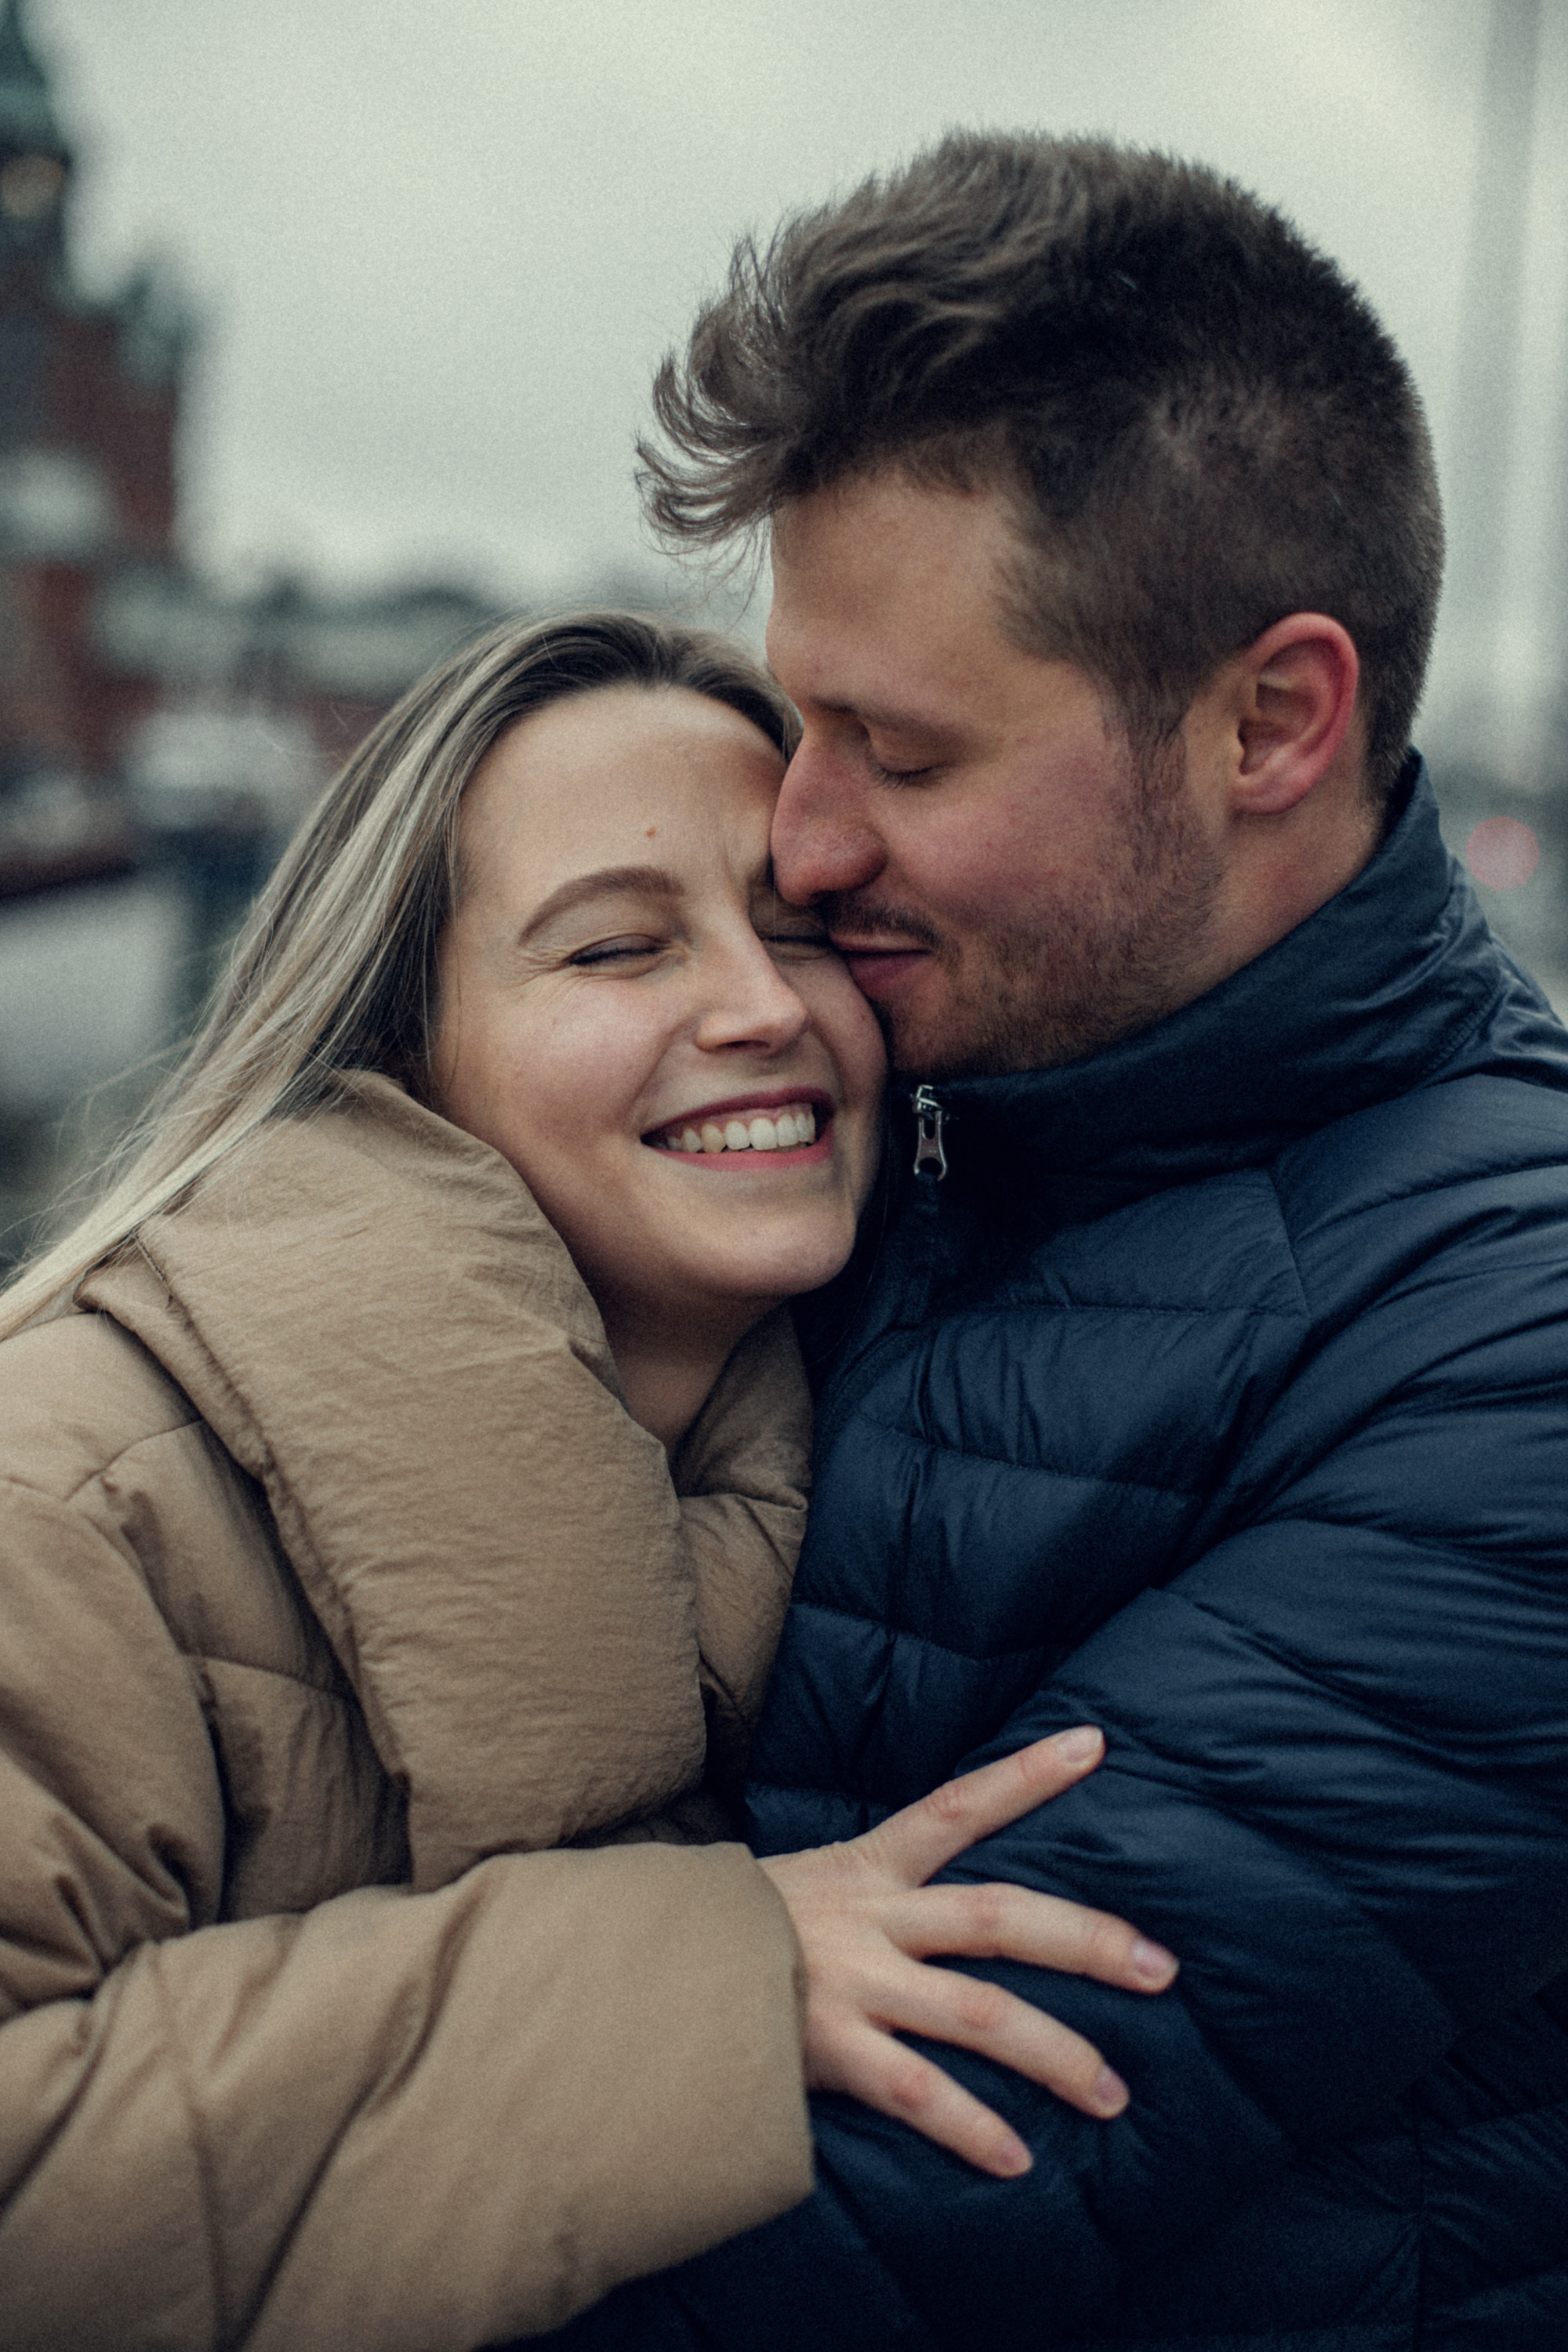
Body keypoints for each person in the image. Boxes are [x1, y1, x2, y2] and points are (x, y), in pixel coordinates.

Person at [543, 137, 1568, 2349]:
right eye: (798, 719)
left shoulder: (1515, 1340)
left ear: (1270, 722)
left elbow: (860, 2217)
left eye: (900, 751)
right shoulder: (855, 1117)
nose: (803, 842)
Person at [0, 612, 1182, 2351]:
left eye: (800, 928)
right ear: (402, 1051)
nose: (764, 1004)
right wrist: (707, 1986)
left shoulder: (909, 1468)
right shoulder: (73, 1497)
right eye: (618, 949)